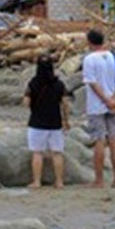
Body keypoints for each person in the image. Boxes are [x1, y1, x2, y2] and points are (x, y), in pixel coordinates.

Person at [82, 29, 115, 188]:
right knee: (114, 141)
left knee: (98, 141)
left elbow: (92, 83)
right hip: (114, 105)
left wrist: (106, 100)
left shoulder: (89, 59)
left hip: (96, 105)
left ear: (89, 42)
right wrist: (114, 100)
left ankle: (99, 180)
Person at [23, 56, 71, 189]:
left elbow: (26, 102)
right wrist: (66, 120)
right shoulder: (59, 84)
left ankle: (37, 181)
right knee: (57, 153)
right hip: (55, 123)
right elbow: (65, 104)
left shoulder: (33, 83)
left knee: (37, 153)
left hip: (37, 122)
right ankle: (59, 182)